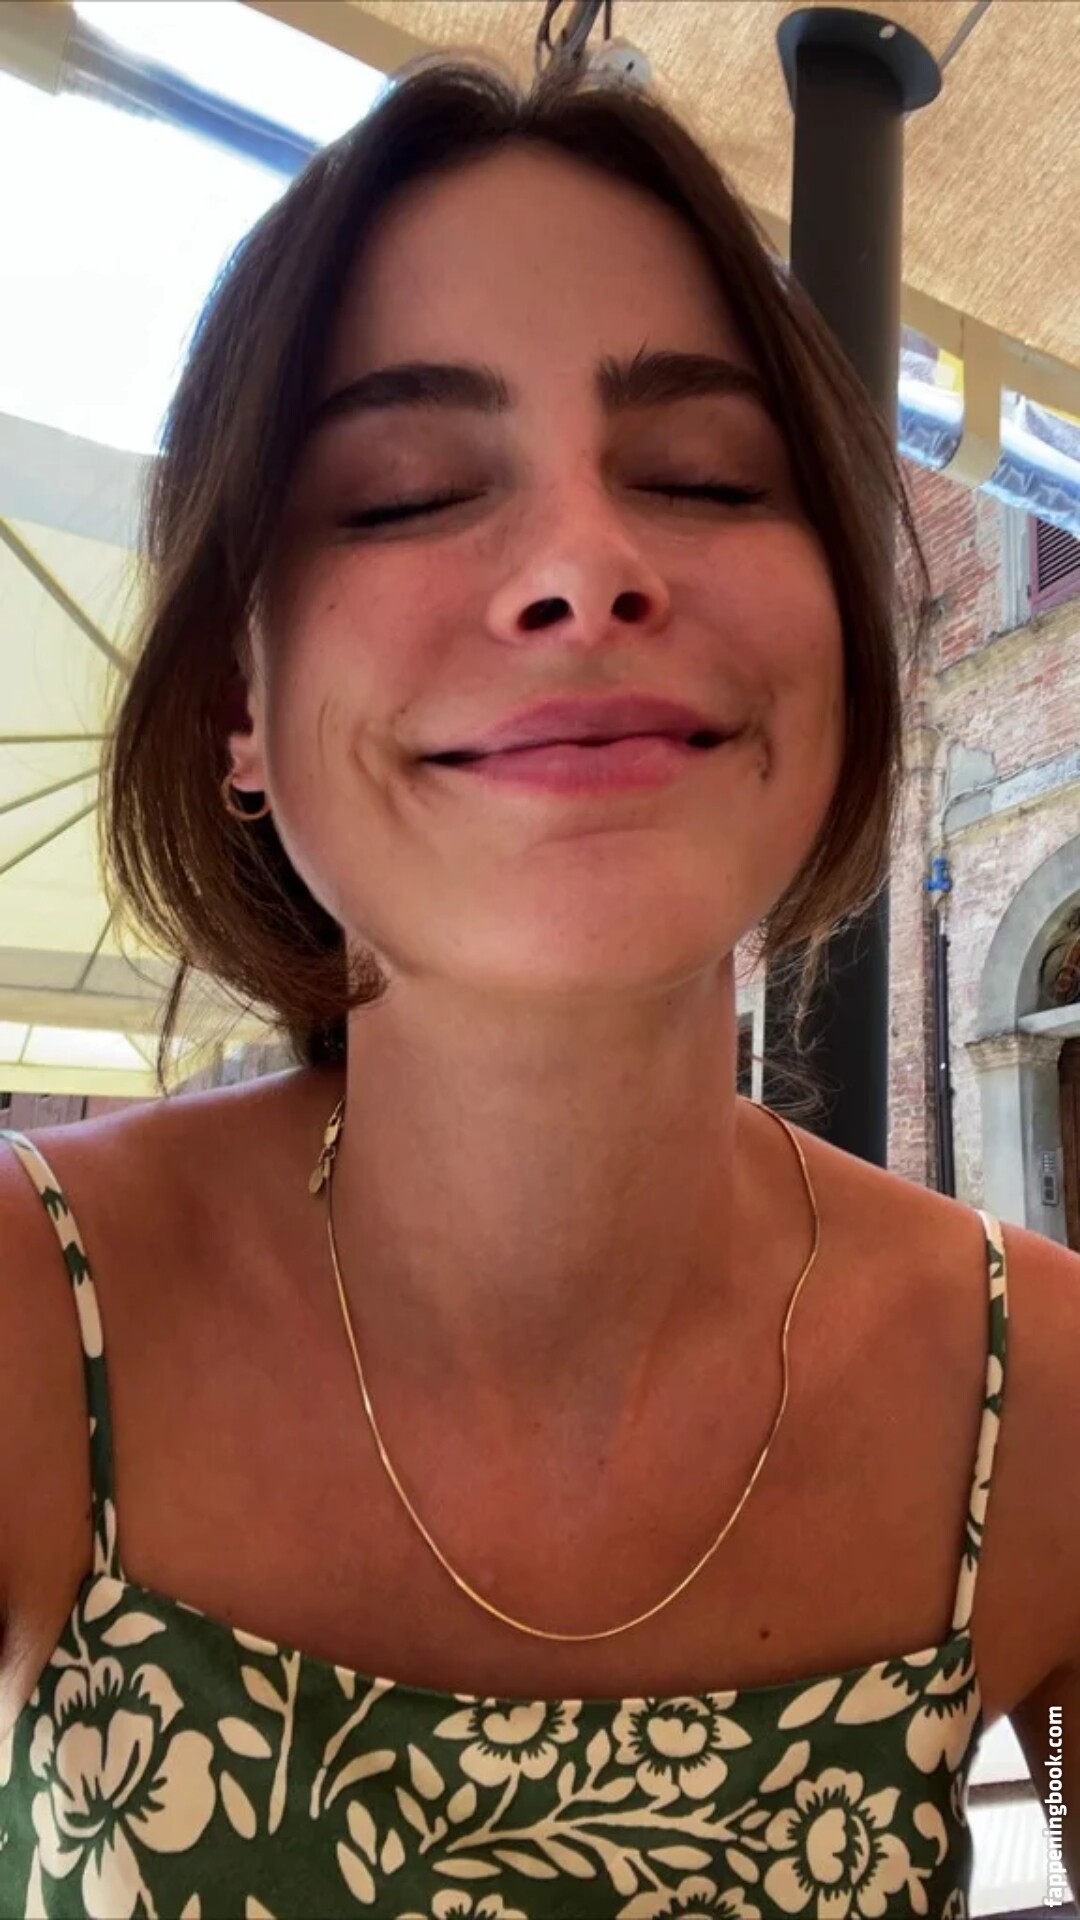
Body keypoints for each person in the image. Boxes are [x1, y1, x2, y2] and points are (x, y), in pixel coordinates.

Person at [1, 50, 1077, 1920]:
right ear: (238, 700)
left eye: (706, 477)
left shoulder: (1045, 1398)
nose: (587, 563)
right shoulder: (25, 1325)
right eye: (406, 492)